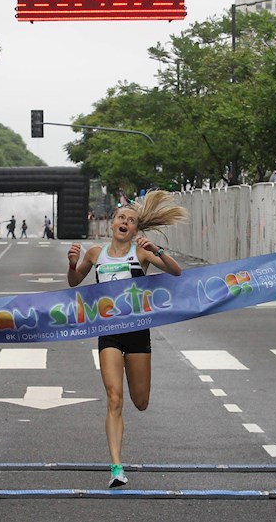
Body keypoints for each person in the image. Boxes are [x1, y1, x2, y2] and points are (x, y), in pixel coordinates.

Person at [66, 191, 186, 489]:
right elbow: (74, 282)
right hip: (109, 332)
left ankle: (119, 459)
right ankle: (116, 467)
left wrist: (157, 251)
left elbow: (176, 272)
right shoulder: (96, 254)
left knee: (140, 401)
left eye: (131, 221)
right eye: (121, 217)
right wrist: (72, 263)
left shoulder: (141, 253)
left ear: (135, 230)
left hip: (137, 332)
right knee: (114, 398)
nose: (125, 222)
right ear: (112, 223)